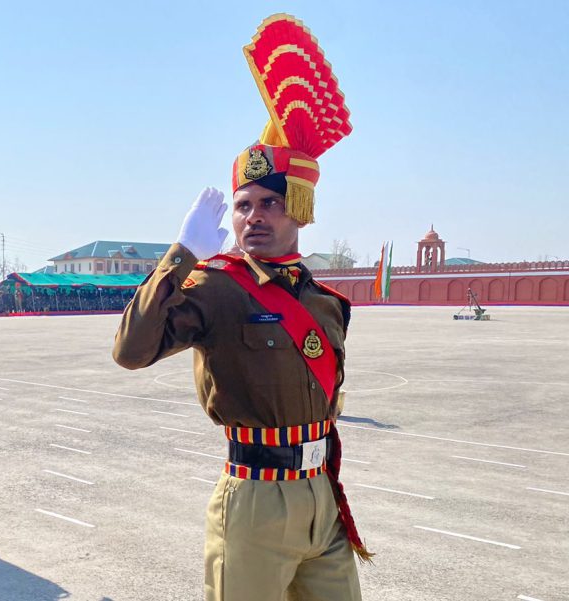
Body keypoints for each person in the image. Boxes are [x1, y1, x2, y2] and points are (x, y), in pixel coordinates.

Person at [113, 14, 367, 601]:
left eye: (271, 204)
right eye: (243, 205)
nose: (254, 216)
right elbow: (131, 350)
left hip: (320, 492)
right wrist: (181, 256)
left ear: (300, 209)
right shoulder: (218, 287)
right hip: (254, 500)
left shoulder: (325, 302)